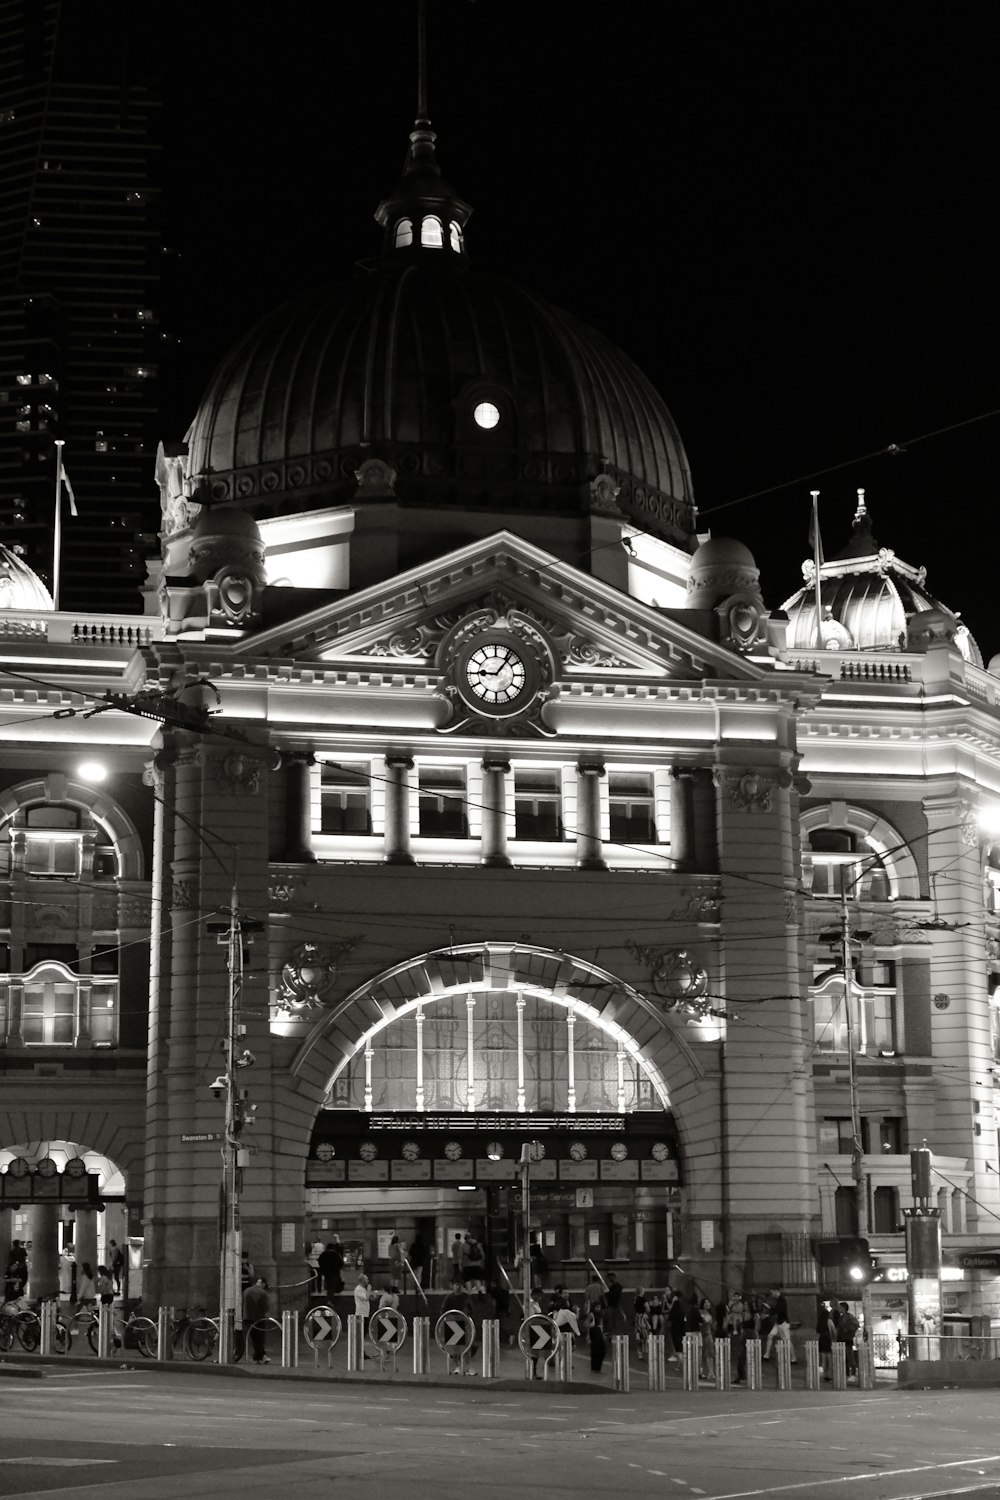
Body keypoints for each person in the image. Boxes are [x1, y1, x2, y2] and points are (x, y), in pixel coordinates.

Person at [764, 1286, 795, 1362]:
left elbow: (778, 1310)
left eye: (772, 1292)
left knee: (787, 1340)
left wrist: (769, 1310)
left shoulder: (782, 1300)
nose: (772, 1294)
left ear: (776, 1291)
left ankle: (793, 1358)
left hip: (783, 1323)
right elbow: (777, 1310)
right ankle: (766, 1355)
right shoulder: (779, 1300)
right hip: (779, 1322)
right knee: (770, 1336)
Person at [243, 1276, 270, 1363]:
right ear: (263, 1284)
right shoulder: (263, 1293)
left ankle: (260, 1356)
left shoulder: (246, 1291)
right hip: (258, 1318)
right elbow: (266, 1307)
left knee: (254, 1338)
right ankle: (259, 1357)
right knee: (260, 1338)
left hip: (247, 1317)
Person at [837, 1300, 860, 1378]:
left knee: (850, 1357)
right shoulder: (841, 1317)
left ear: (843, 1308)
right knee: (845, 1358)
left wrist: (847, 1329)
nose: (839, 1309)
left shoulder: (849, 1317)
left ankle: (853, 1373)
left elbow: (856, 1325)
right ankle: (846, 1373)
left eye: (840, 1307)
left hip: (847, 1339)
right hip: (842, 1339)